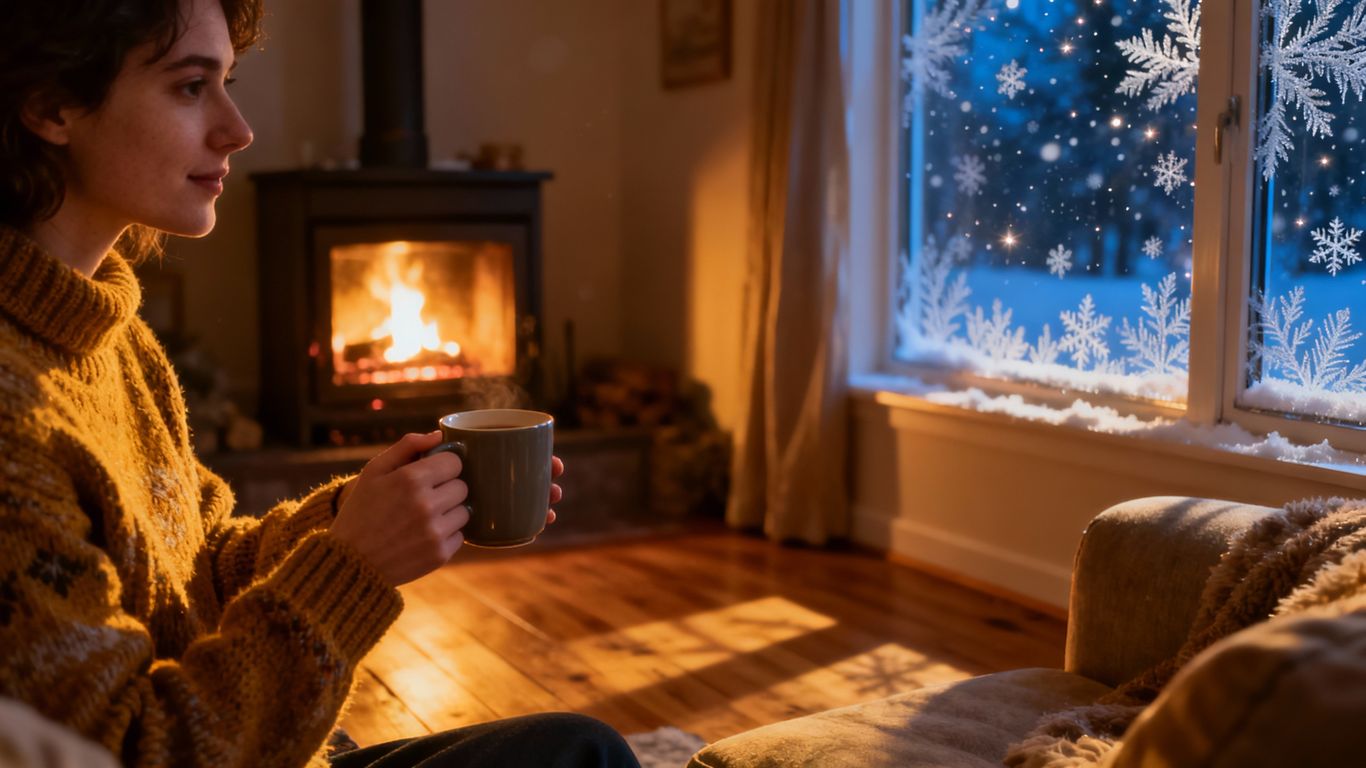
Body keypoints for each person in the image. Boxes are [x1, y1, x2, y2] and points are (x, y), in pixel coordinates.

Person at [0, 1, 641, 766]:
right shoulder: (13, 415)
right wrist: (354, 569)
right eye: (189, 86)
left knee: (576, 749)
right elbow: (132, 750)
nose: (238, 129)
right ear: (50, 106)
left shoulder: (115, 335)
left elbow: (201, 573)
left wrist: (354, 517)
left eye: (228, 81)